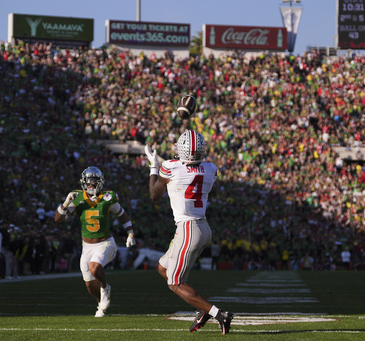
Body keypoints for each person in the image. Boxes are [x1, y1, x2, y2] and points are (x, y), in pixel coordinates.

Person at [144, 129, 233, 335]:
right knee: (163, 268)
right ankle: (201, 310)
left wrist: (153, 165)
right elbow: (191, 168)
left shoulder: (169, 167)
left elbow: (154, 195)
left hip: (188, 229)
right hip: (202, 227)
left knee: (175, 283)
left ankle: (219, 314)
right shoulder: (211, 169)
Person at [54, 166, 136, 317]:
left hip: (106, 243)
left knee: (94, 267)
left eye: (94, 182)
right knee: (89, 284)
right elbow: (58, 219)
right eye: (89, 182)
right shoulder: (77, 198)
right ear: (83, 183)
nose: (92, 185)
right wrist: (65, 203)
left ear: (101, 182)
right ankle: (101, 305)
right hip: (87, 246)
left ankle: (105, 287)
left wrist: (130, 233)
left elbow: (123, 215)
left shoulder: (108, 197)